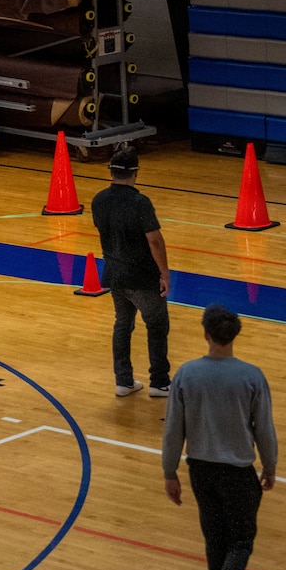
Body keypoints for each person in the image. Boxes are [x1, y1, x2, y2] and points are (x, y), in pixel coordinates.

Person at [163, 303, 278, 570]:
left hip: (200, 470)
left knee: (215, 540)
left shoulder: (186, 374)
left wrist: (169, 471)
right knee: (241, 541)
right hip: (237, 473)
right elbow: (264, 429)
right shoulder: (251, 376)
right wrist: (270, 466)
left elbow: (173, 428)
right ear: (233, 335)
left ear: (206, 334)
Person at [90, 144, 172, 398]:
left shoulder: (98, 200)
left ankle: (123, 381)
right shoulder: (140, 203)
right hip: (141, 276)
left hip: (114, 273)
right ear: (135, 172)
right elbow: (154, 240)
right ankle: (159, 382)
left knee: (122, 324)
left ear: (110, 171)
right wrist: (164, 273)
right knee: (157, 325)